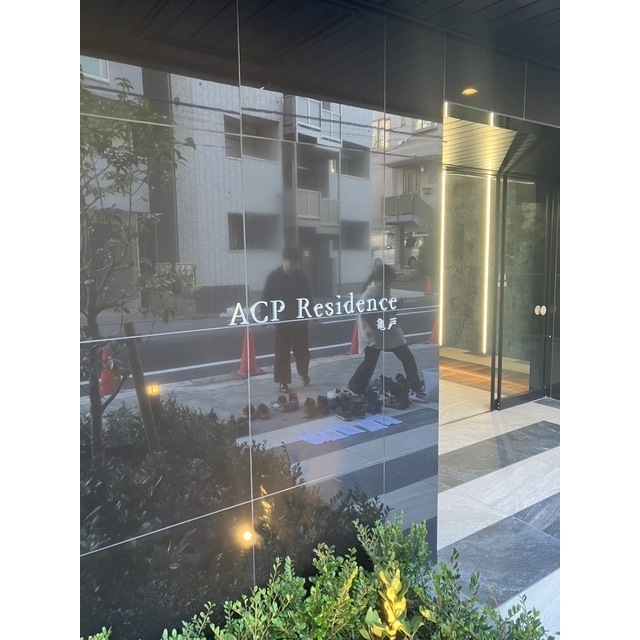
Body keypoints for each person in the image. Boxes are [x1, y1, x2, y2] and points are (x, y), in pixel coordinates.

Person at [347, 264, 428, 403]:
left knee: (371, 363)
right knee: (405, 359)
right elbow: (366, 316)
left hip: (383, 333)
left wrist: (394, 307)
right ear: (381, 279)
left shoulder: (381, 291)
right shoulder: (371, 295)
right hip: (378, 334)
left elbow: (385, 312)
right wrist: (374, 330)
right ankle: (416, 390)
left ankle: (354, 389)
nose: (390, 284)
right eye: (389, 280)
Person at [261, 246, 313, 393]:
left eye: (296, 263)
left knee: (302, 350)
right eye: (291, 262)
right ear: (284, 259)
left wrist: (311, 313)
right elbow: (266, 297)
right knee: (282, 352)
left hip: (299, 319)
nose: (294, 266)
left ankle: (304, 373)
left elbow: (307, 296)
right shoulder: (274, 276)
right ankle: (283, 381)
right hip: (282, 320)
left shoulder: (301, 276)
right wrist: (265, 317)